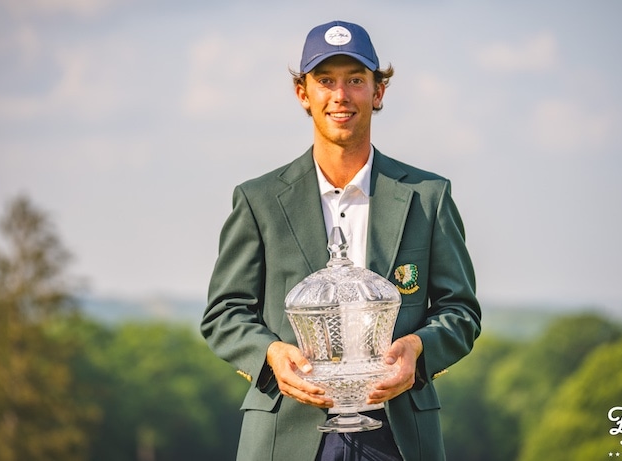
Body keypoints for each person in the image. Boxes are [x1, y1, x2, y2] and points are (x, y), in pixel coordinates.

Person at [201, 20, 481, 461]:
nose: (340, 95)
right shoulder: (258, 200)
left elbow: (460, 310)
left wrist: (417, 348)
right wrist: (271, 353)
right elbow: (225, 313)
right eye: (325, 80)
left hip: (398, 432)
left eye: (355, 80)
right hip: (286, 432)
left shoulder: (429, 197)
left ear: (378, 92)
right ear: (303, 93)